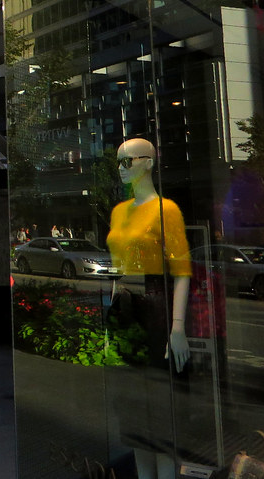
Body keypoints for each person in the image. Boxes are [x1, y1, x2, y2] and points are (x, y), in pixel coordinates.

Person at [107, 138, 192, 479]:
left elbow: (183, 272)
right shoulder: (118, 211)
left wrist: (177, 327)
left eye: (127, 161)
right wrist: (112, 323)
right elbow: (117, 271)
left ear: (149, 163)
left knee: (160, 413)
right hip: (126, 313)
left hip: (157, 307)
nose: (121, 168)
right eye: (119, 162)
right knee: (132, 414)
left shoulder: (165, 210)